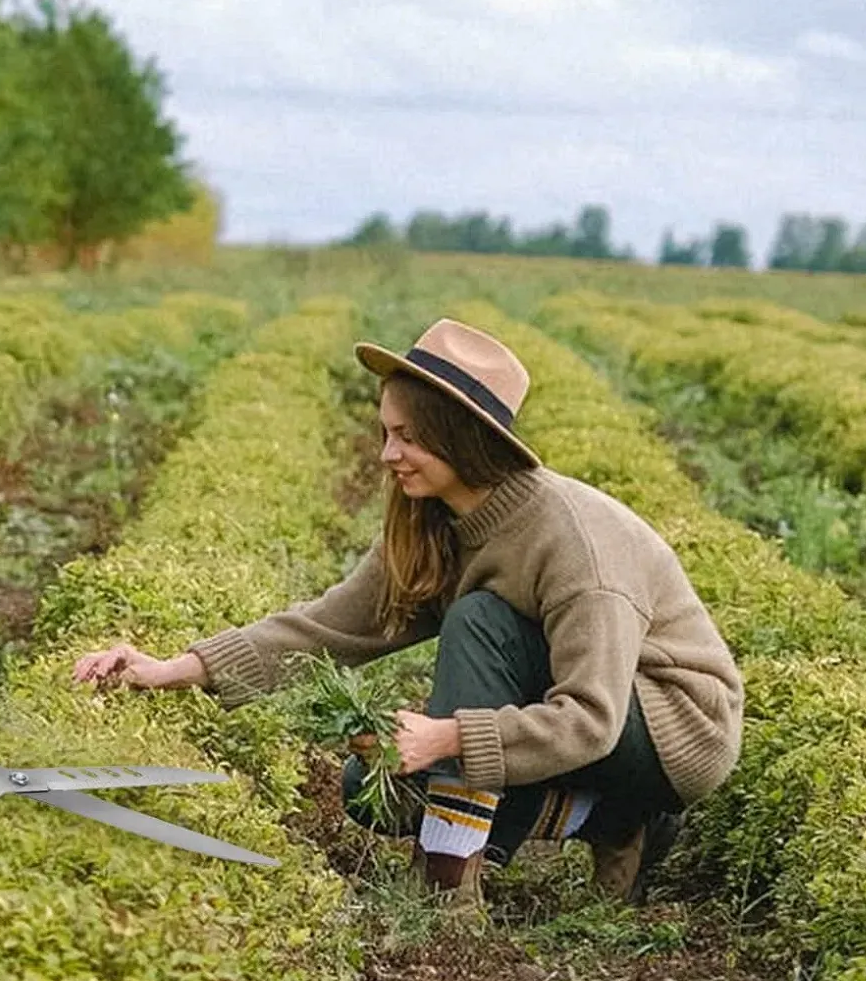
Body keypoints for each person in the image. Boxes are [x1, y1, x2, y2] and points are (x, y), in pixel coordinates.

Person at [73, 318, 744, 909]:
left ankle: (449, 888)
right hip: (577, 714)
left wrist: (448, 738)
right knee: (372, 788)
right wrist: (174, 670)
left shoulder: (572, 545)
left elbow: (593, 719)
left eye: (408, 438)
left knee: (478, 621)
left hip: (666, 726)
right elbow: (332, 624)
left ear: (463, 440)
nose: (388, 455)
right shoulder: (435, 522)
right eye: (386, 433)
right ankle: (610, 823)